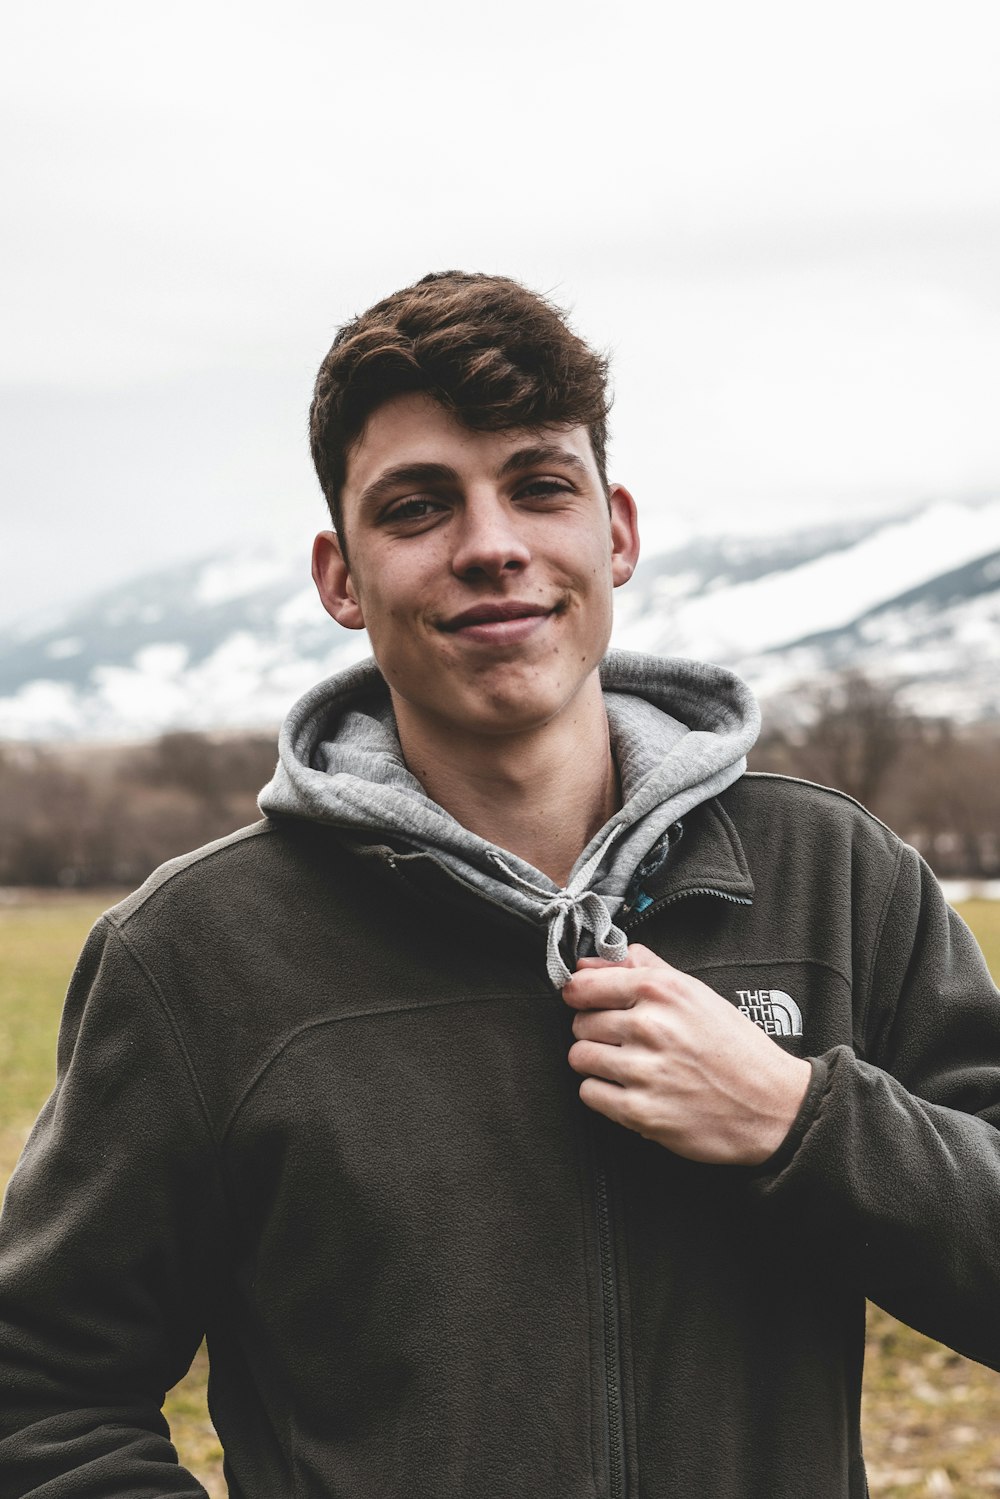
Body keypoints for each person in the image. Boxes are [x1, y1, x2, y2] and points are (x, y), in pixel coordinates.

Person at [1, 270, 998, 1499]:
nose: (492, 546)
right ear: (340, 577)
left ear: (615, 530)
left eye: (539, 485)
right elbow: (38, 1392)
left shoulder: (836, 880)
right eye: (418, 508)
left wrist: (802, 1123)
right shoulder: (195, 952)